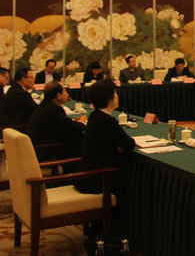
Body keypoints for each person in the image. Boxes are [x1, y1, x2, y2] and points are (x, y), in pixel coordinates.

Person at [76, 79, 136, 234]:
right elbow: (128, 143)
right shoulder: (107, 121)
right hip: (99, 179)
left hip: (87, 175)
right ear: (110, 99)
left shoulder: (95, 116)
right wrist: (119, 146)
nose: (117, 96)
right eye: (115, 93)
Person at [28, 81, 86, 160]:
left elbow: (64, 123)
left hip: (38, 149)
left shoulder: (45, 105)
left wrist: (74, 122)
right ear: (58, 96)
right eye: (65, 91)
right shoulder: (54, 109)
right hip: (46, 153)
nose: (67, 94)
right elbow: (72, 127)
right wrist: (82, 123)